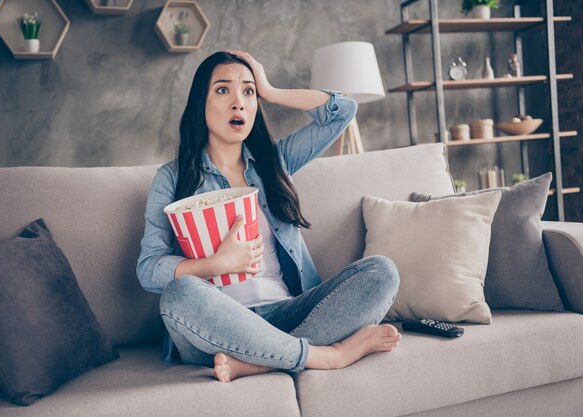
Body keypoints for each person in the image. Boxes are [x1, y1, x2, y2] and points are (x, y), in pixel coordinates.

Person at [136, 49, 401, 383]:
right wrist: (215, 265)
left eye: (247, 91)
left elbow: (343, 111)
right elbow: (148, 269)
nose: (238, 102)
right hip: (216, 325)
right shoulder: (171, 179)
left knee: (382, 272)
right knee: (179, 293)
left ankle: (261, 361)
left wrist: (270, 90)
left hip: (287, 312)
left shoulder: (275, 161)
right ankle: (327, 355)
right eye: (222, 90)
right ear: (199, 103)